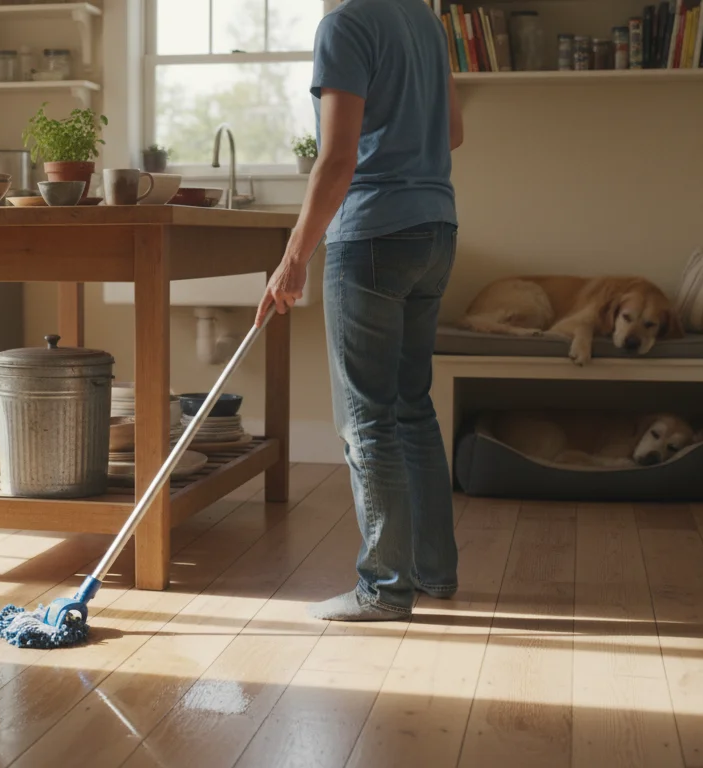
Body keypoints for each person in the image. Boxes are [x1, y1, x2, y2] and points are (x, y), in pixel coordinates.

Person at [256, 0, 464, 621]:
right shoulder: (425, 22)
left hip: (372, 236)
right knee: (411, 405)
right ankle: (435, 572)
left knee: (367, 417)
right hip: (435, 228)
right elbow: (453, 131)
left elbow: (338, 156)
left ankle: (384, 589)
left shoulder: (345, 25)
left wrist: (293, 258)